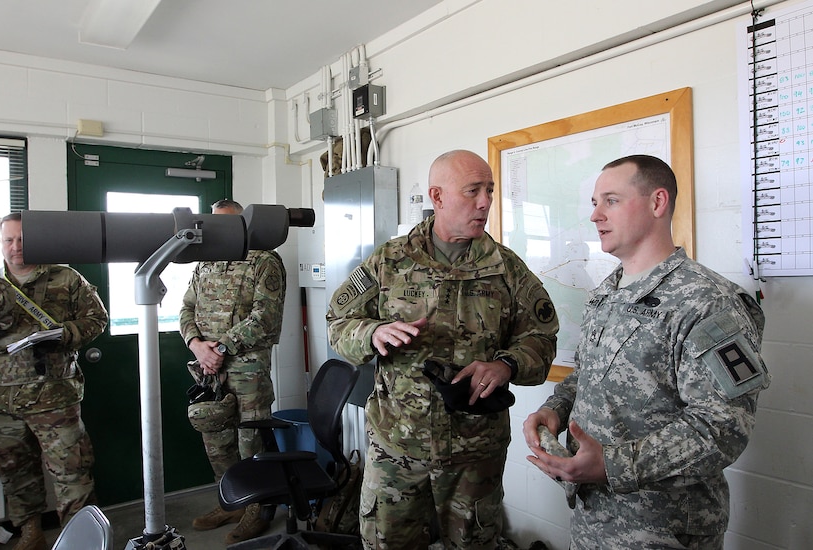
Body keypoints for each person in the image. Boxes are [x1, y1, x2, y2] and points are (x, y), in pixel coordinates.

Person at [522, 155, 771, 549]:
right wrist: (555, 408)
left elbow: (723, 427)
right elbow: (588, 374)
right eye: (594, 202)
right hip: (594, 519)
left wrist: (612, 465)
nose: (595, 215)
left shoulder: (707, 301)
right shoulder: (607, 292)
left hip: (663, 529)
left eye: (611, 201)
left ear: (657, 203)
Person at [327, 150, 559, 549]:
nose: (485, 201)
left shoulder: (508, 269)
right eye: (473, 191)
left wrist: (506, 365)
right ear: (437, 196)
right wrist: (372, 333)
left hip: (475, 452)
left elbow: (542, 338)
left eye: (489, 190)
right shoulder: (389, 261)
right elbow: (338, 322)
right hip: (397, 447)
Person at [0, 212, 108, 550]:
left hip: (54, 397)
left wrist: (65, 334)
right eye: (9, 239)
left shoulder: (65, 278)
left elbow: (97, 319)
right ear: (0, 242)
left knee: (72, 471)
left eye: (23, 239)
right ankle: (31, 532)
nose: (15, 247)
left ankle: (81, 539)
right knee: (15, 473)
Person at [179, 199, 287, 545]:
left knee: (249, 442)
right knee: (216, 442)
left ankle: (256, 508)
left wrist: (220, 348)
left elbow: (265, 320)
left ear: (242, 223)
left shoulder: (263, 260)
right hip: (209, 372)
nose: (220, 230)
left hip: (247, 373)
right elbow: (187, 307)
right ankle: (230, 503)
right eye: (214, 224)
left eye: (228, 223)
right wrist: (196, 345)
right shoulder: (204, 262)